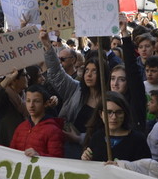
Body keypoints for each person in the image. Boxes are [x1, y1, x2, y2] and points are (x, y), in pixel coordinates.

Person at [42, 31, 109, 159]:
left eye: (94, 71)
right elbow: (57, 73)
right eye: (87, 70)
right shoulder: (75, 89)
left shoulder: (108, 101)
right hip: (66, 148)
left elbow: (107, 132)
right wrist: (47, 46)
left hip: (91, 153)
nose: (88, 75)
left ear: (103, 74)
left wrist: (79, 138)